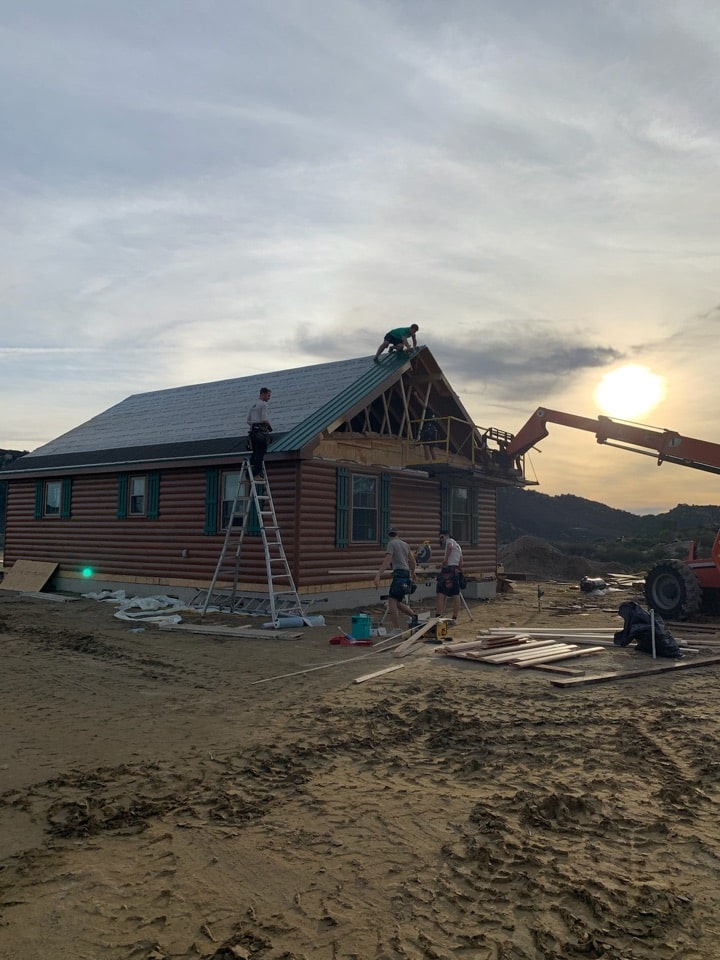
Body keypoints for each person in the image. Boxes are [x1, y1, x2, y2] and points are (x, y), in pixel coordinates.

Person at [373, 528, 418, 634]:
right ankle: (414, 616)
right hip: (406, 574)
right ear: (397, 534)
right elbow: (413, 561)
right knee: (397, 602)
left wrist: (378, 575)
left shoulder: (391, 544)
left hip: (399, 575)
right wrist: (413, 573)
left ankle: (396, 629)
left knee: (391, 601)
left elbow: (388, 560)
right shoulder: (405, 544)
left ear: (388, 535)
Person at [436, 529, 464, 621]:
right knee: (456, 593)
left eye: (442, 537)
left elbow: (450, 547)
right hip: (455, 570)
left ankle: (438, 616)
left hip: (448, 569)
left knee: (441, 592)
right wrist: (459, 569)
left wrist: (445, 560)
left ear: (447, 535)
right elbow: (461, 562)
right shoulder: (458, 546)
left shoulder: (450, 541)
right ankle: (454, 617)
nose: (441, 540)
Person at [246, 387, 272, 477]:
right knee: (261, 452)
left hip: (253, 431)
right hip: (261, 432)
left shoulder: (253, 405)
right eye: (268, 396)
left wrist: (254, 426)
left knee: (255, 451)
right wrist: (270, 427)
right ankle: (256, 472)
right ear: (263, 394)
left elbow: (248, 421)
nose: (269, 398)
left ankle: (249, 472)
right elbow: (264, 419)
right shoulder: (263, 405)